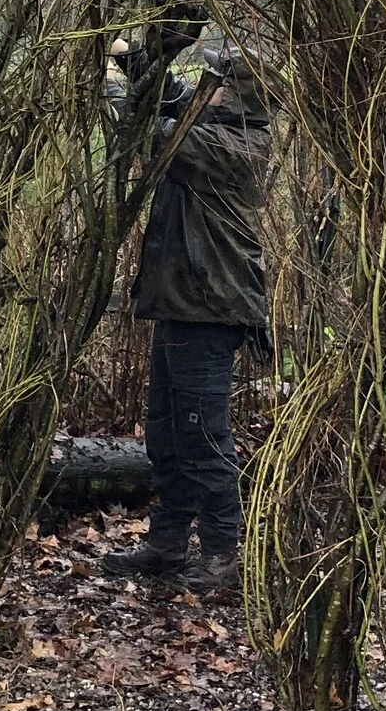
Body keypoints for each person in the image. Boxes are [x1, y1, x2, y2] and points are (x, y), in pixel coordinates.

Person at [101, 29, 271, 594]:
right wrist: (137, 58)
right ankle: (168, 541)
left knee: (203, 436)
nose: (207, 91)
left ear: (237, 93)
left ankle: (224, 553)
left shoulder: (236, 148)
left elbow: (160, 134)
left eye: (216, 85)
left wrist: (113, 93)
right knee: (167, 434)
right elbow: (173, 98)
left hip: (210, 309)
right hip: (184, 304)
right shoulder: (217, 125)